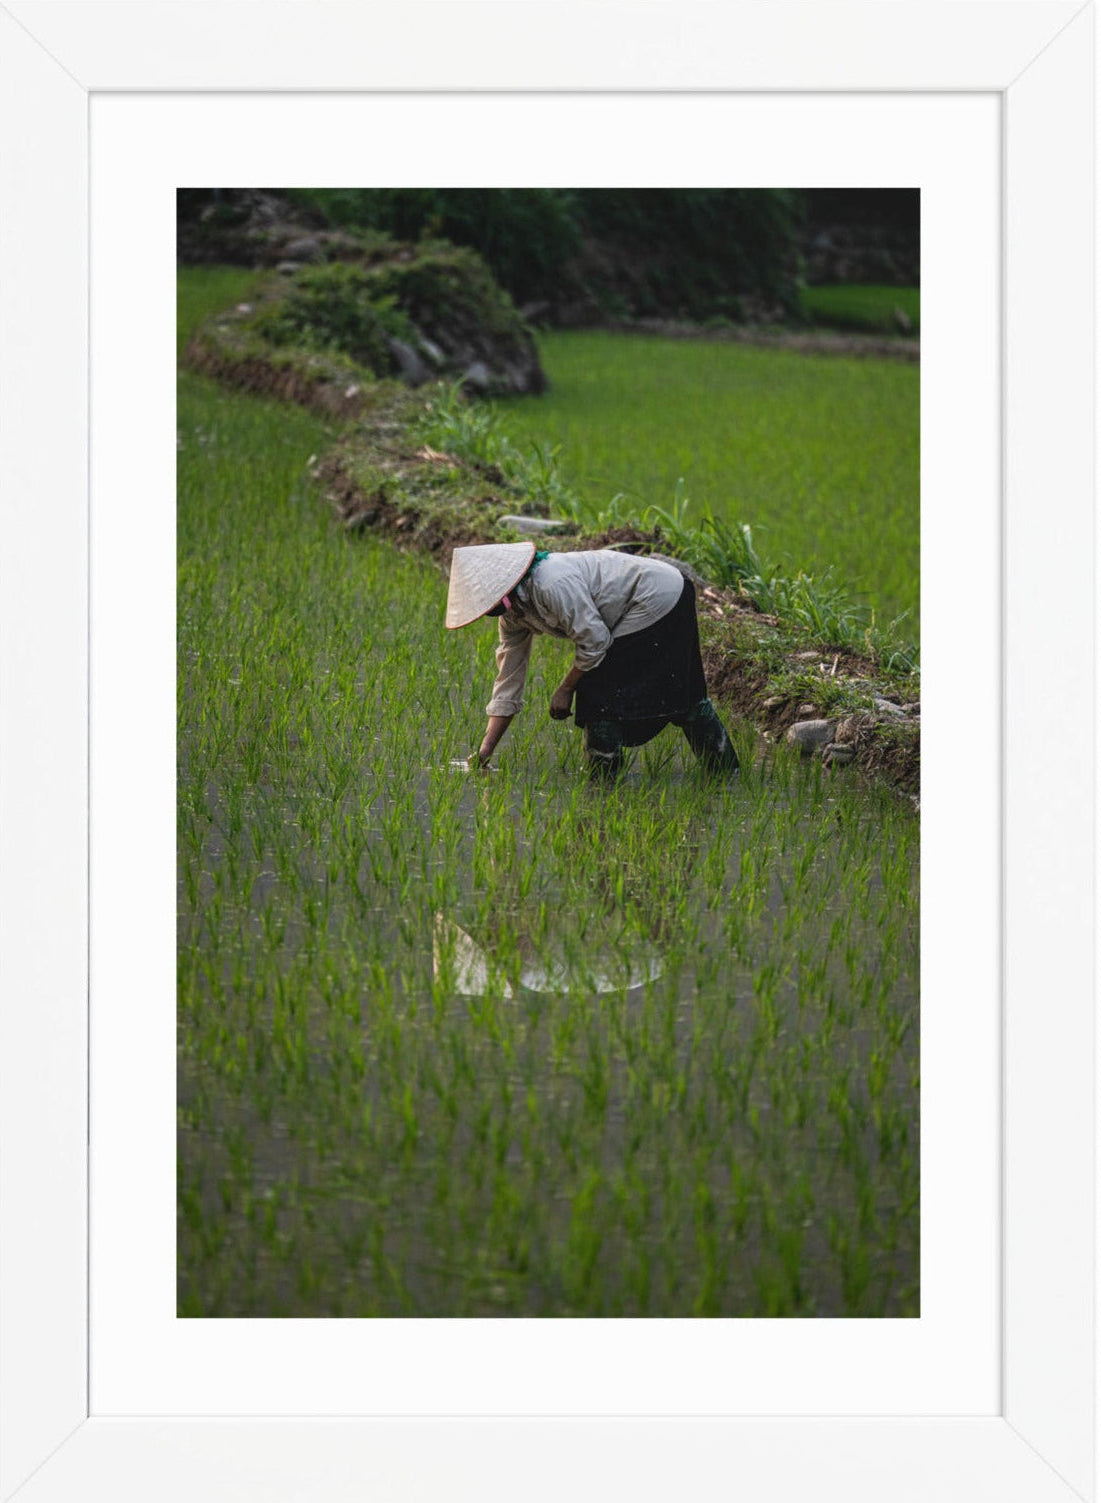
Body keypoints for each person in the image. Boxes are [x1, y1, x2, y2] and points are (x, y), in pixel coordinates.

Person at [445, 541, 739, 778]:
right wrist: (484, 753)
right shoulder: (513, 615)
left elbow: (596, 641)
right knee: (657, 691)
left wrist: (566, 688)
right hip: (632, 610)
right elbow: (508, 680)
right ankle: (724, 771)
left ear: (504, 587)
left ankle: (603, 781)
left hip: (659, 596)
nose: (488, 611)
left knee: (601, 694)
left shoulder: (551, 583)